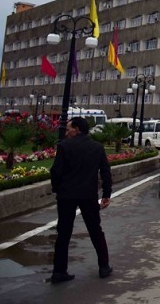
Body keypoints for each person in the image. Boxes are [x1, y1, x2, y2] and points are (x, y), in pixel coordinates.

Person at [49, 117, 113, 284]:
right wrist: (106, 194)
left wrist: (57, 189)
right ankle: (104, 266)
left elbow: (56, 171)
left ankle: (59, 271)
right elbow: (105, 171)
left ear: (77, 129)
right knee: (95, 230)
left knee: (63, 233)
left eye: (69, 128)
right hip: (88, 195)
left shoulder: (64, 146)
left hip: (66, 195)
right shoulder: (97, 147)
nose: (66, 132)